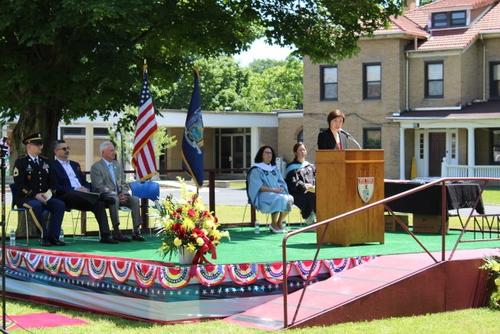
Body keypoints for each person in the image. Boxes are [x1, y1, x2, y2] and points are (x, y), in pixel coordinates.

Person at [52, 140, 118, 244]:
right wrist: (75, 189)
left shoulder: (75, 164)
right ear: (56, 151)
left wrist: (86, 188)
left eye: (68, 148)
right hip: (66, 196)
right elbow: (55, 186)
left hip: (83, 196)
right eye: (64, 149)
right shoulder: (52, 165)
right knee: (75, 193)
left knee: (99, 204)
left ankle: (106, 235)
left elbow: (84, 182)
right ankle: (100, 196)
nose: (67, 151)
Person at [12, 133, 66, 246]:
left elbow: (53, 181)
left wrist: (48, 194)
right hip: (26, 198)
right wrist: (35, 195)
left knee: (59, 205)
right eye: (37, 144)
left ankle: (54, 237)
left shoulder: (46, 161)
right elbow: (20, 184)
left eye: (41, 144)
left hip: (45, 196)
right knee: (36, 205)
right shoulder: (21, 162)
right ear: (29, 146)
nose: (41, 146)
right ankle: (44, 236)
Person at [90, 141, 144, 242]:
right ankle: (116, 231)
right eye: (111, 150)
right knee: (114, 199)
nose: (114, 152)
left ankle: (136, 231)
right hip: (106, 197)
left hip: (120, 195)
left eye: (113, 150)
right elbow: (99, 186)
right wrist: (116, 194)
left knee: (135, 199)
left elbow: (123, 182)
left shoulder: (117, 165)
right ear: (103, 152)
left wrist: (124, 193)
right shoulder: (96, 167)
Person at [247, 145, 293, 233]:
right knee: (279, 198)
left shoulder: (274, 169)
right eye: (266, 153)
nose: (269, 155)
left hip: (277, 193)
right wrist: (273, 190)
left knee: (290, 199)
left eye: (270, 153)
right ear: (261, 155)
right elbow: (258, 187)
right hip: (263, 195)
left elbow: (281, 181)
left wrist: (282, 188)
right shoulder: (256, 169)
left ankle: (279, 222)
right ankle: (273, 223)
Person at [285, 142, 316, 225]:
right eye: (300, 150)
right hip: (297, 192)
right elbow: (293, 182)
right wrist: (305, 186)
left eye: (304, 150)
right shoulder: (291, 167)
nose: (302, 152)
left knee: (318, 195)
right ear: (295, 152)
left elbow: (317, 178)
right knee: (310, 195)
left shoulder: (310, 166)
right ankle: (310, 221)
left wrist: (314, 186)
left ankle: (321, 220)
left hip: (312, 190)